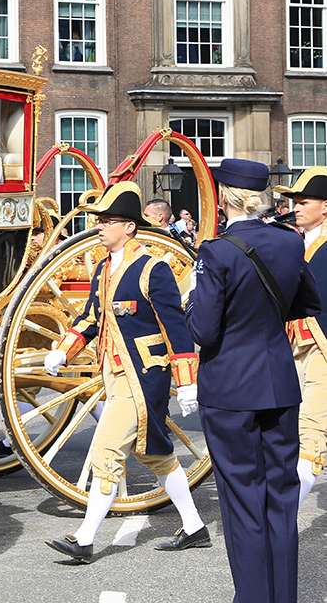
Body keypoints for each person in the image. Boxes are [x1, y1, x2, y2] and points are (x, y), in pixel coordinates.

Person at [42, 182, 207, 563]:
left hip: (144, 377)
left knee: (105, 451)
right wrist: (63, 351)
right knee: (156, 455)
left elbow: (175, 328)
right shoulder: (103, 267)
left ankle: (84, 539)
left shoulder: (153, 268)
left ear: (129, 227)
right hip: (113, 375)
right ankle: (195, 526)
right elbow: (89, 318)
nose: (99, 227)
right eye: (99, 220)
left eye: (108, 221)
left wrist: (186, 383)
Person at [186, 159, 321, 603]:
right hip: (279, 381)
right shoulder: (288, 242)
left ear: (224, 197)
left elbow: (202, 331)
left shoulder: (217, 250)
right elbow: (308, 301)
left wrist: (191, 300)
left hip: (230, 388)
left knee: (243, 501)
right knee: (280, 500)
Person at [274, 166, 327, 508]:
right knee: (293, 428)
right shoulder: (297, 242)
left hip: (322, 350)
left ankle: (282, 518)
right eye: (295, 200)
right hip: (295, 348)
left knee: (310, 432)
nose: (296, 206)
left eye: (304, 201)